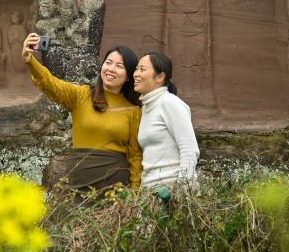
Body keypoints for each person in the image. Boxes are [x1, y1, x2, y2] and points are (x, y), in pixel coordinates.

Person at [22, 33, 142, 197]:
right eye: (108, 63)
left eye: (119, 66)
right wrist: (30, 60)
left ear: (128, 76)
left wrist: (135, 194)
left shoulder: (133, 111)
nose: (111, 69)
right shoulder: (81, 96)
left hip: (116, 190)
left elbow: (135, 156)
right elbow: (52, 84)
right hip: (79, 183)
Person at [132, 51, 200, 193]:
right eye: (136, 69)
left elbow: (189, 149)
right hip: (151, 192)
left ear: (160, 77)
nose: (136, 74)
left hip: (172, 191)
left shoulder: (170, 103)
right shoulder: (146, 107)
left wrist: (181, 191)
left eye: (142, 69)